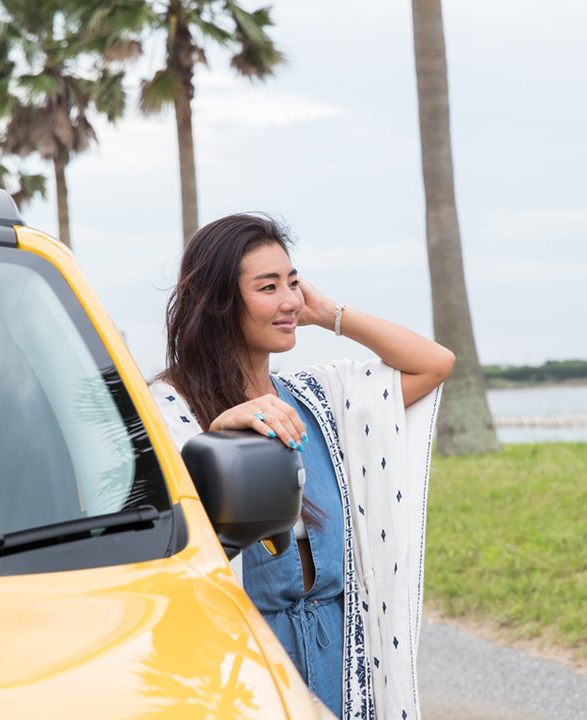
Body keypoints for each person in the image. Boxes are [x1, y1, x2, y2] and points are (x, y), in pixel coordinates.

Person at [150, 213, 454, 720]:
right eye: (267, 287)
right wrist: (216, 439)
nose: (289, 300)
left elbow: (433, 362)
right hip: (249, 660)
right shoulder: (168, 410)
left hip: (341, 658)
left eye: (293, 282)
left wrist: (328, 313)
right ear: (221, 302)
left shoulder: (318, 399)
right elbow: (164, 544)